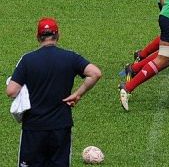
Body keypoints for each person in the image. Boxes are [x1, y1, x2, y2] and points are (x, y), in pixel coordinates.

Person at [6, 17, 102, 166]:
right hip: (60, 127)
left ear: (38, 37)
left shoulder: (27, 60)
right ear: (57, 35)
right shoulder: (70, 57)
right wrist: (78, 94)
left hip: (34, 128)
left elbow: (11, 91)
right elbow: (95, 73)